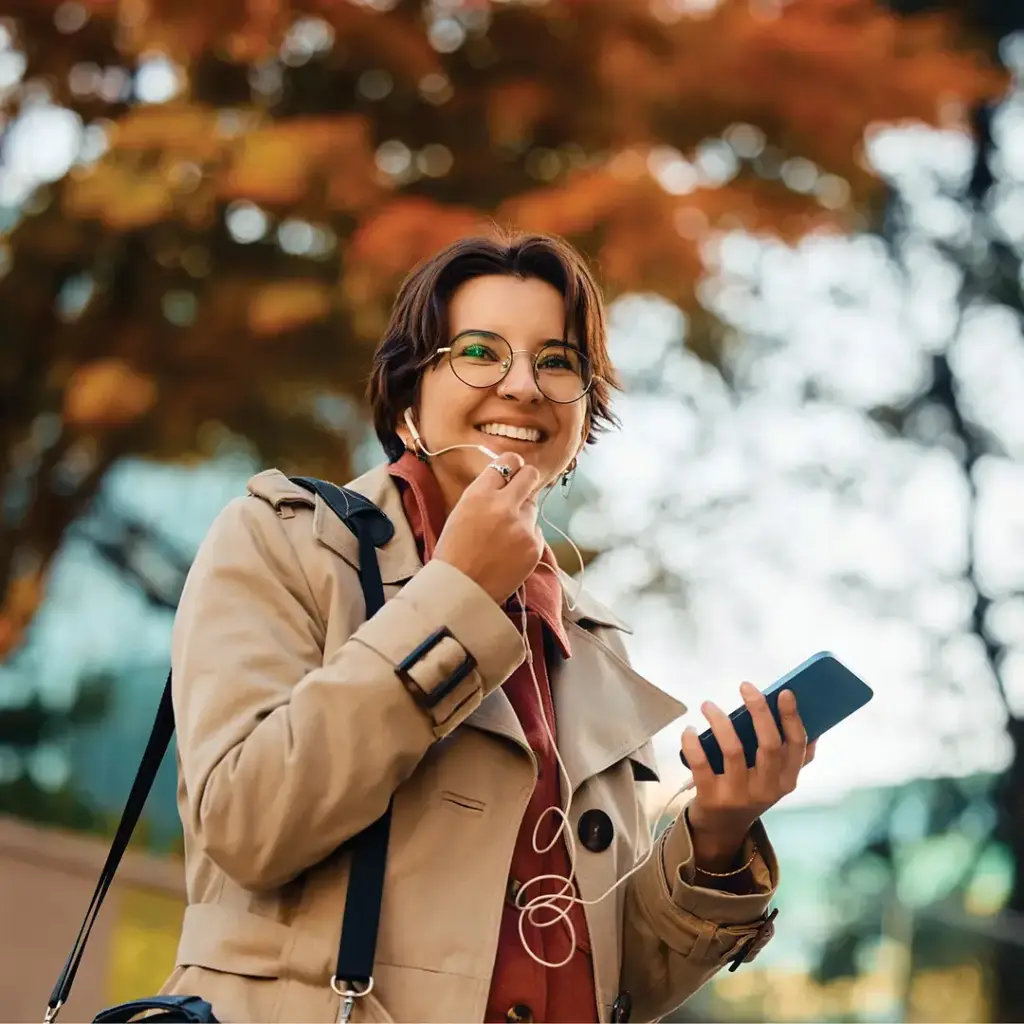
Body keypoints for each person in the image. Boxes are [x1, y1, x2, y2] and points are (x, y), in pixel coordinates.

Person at [161, 231, 816, 1024]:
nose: (523, 386)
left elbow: (610, 980)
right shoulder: (284, 542)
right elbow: (247, 822)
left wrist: (718, 834)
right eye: (479, 351)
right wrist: (456, 596)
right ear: (408, 395)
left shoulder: (589, 641)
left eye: (558, 362)